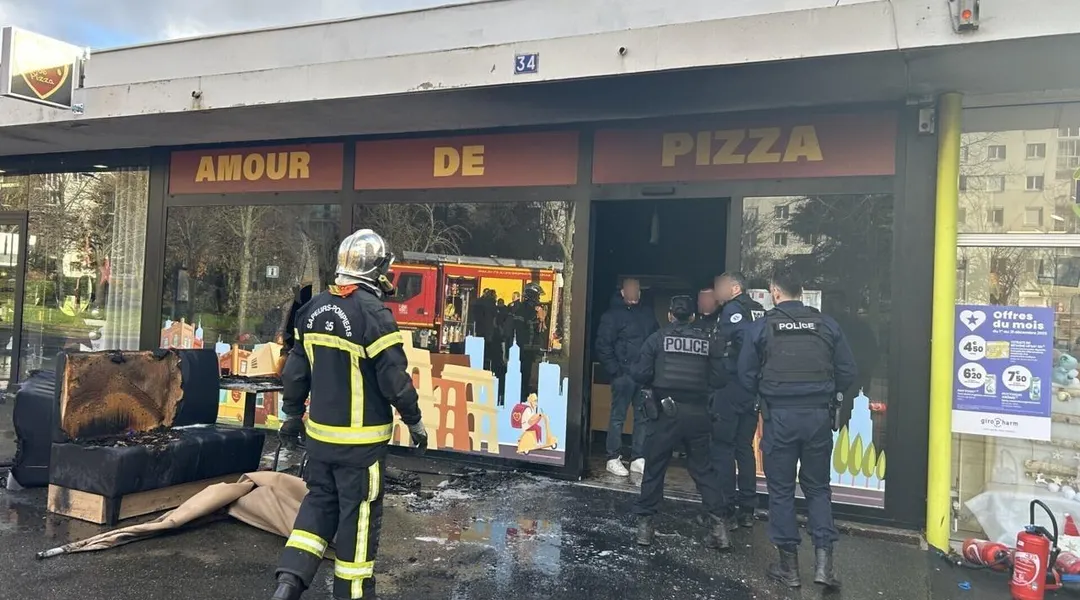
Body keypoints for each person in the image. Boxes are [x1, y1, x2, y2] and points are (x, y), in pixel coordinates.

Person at [272, 229, 429, 600]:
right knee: (357, 522)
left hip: (320, 443)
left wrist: (291, 415)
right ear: (376, 270)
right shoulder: (374, 315)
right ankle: (353, 594)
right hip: (361, 450)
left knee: (317, 507)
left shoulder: (311, 311)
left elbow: (295, 373)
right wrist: (415, 421)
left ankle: (288, 584)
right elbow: (394, 380)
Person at [738, 269, 857, 589]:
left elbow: (745, 374)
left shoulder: (762, 327)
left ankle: (789, 569)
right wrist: (828, 394)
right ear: (801, 292)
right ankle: (824, 567)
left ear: (775, 292)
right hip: (817, 417)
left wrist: (763, 398)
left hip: (779, 418)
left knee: (780, 491)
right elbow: (847, 371)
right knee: (818, 488)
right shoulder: (826, 325)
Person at [629, 295, 731, 549]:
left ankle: (645, 529)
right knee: (703, 469)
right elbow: (720, 379)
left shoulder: (657, 339)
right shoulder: (707, 341)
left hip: (665, 414)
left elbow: (640, 373)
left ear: (670, 315)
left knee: (654, 468)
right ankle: (719, 529)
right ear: (693, 316)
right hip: (698, 414)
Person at [711, 272, 766, 529]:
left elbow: (739, 344)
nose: (717, 293)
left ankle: (726, 509)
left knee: (723, 447)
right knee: (744, 448)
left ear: (735, 288)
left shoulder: (733, 310)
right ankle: (747, 508)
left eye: (720, 287)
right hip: (753, 389)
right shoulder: (758, 309)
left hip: (733, 386)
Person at [595, 277, 658, 477]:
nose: (634, 292)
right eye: (630, 289)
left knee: (642, 417)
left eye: (637, 289)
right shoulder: (612, 316)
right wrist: (616, 370)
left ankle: (638, 458)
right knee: (617, 417)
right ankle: (613, 458)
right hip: (623, 375)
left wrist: (651, 368)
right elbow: (603, 345)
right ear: (622, 292)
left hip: (643, 375)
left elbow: (656, 340)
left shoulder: (647, 314)